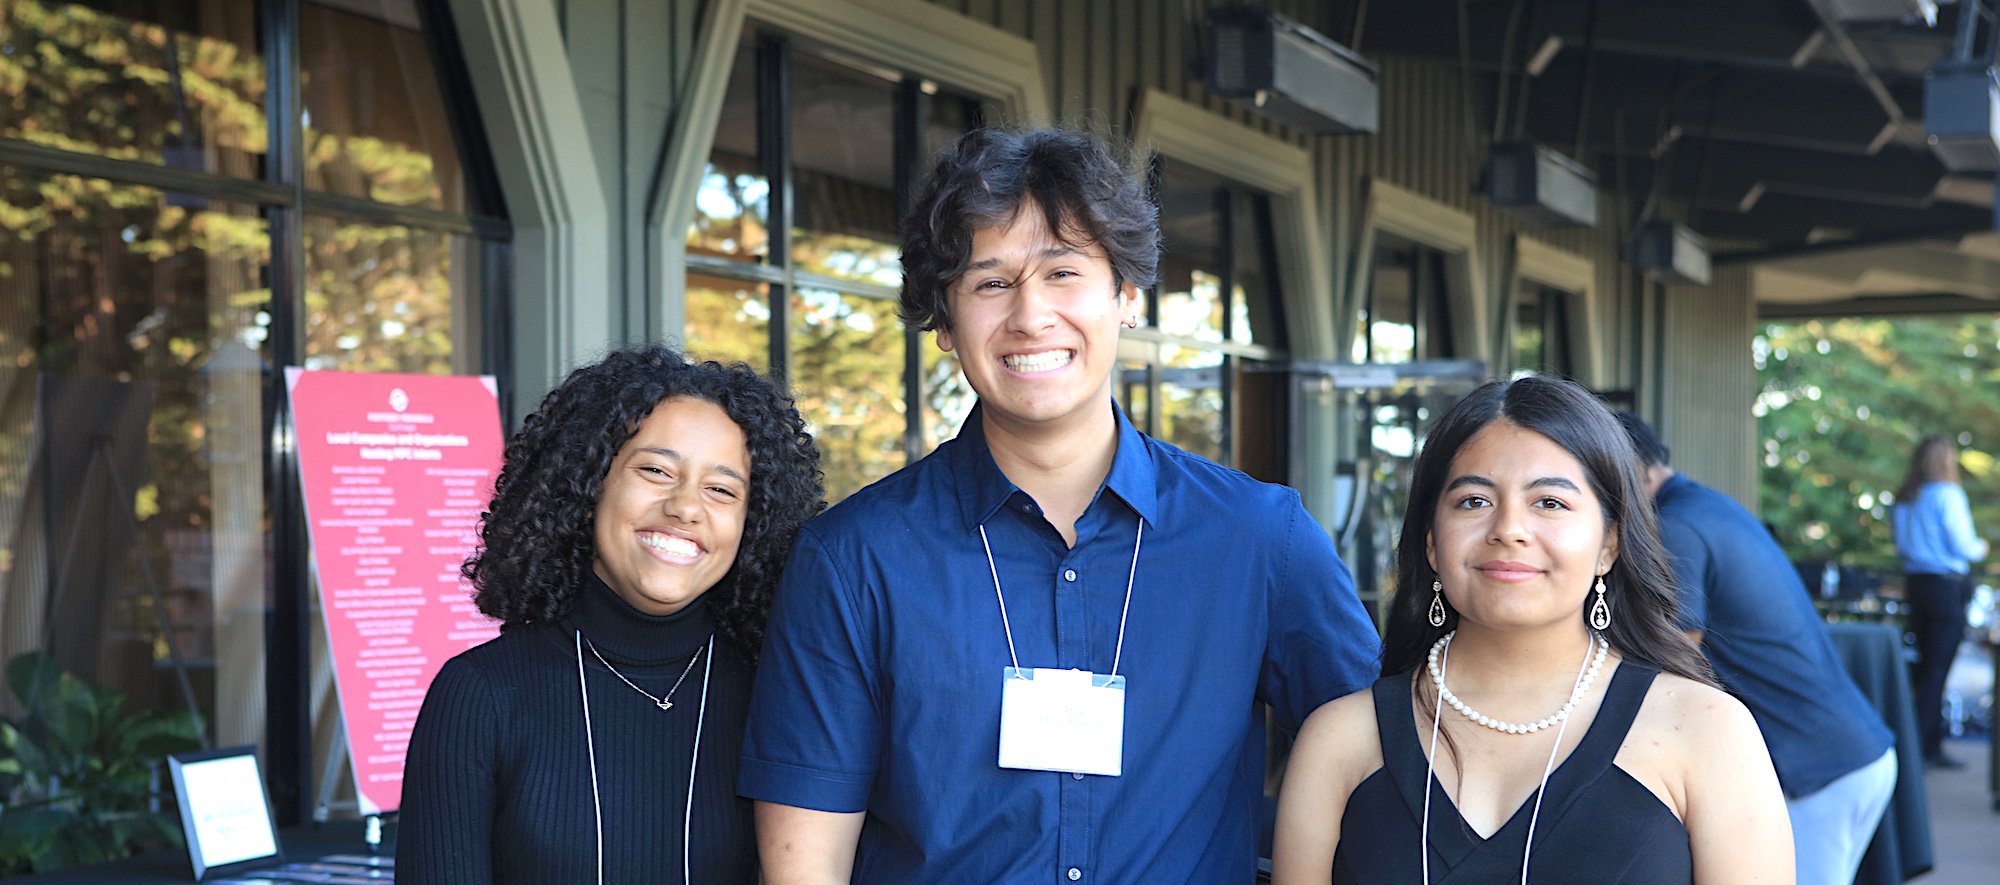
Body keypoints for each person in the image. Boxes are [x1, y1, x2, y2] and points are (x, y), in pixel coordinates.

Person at [740, 127, 1381, 884]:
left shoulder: (1260, 539)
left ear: (1129, 295)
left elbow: (1380, 781)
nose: (1031, 315)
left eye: (1064, 272)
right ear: (944, 324)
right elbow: (804, 863)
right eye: (990, 282)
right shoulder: (854, 558)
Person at [1272, 376, 1791, 884]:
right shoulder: (1340, 738)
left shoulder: (1705, 729)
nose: (1509, 529)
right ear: (1431, 541)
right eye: (1474, 501)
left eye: (1550, 502)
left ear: (1608, 544)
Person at [398, 345, 824, 884]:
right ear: (589, 482)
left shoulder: (782, 696)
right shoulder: (480, 695)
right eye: (655, 470)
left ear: (752, 524)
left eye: (721, 489)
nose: (686, 507)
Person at [1619, 413, 1895, 885]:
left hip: (1815, 771)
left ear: (1632, 473)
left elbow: (1676, 656)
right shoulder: (1708, 506)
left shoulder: (1677, 524)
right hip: (1845, 754)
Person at [1891, 435, 1987, 769]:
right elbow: (1963, 546)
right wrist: (1982, 549)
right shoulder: (1948, 494)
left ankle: (1921, 744)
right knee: (1936, 671)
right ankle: (1922, 748)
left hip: (1916, 586)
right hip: (1945, 589)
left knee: (1922, 668)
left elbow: (1902, 545)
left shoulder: (1905, 498)